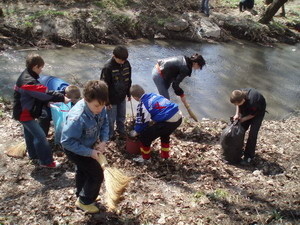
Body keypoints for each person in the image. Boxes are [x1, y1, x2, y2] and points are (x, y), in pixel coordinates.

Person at [12, 53, 70, 168]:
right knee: (41, 137)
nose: (41, 70)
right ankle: (46, 162)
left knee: (29, 134)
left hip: (22, 111)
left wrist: (49, 100)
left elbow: (35, 95)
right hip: (25, 114)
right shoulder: (29, 81)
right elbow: (44, 93)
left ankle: (33, 155)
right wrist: (63, 98)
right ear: (35, 67)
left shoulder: (26, 74)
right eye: (41, 67)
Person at [61, 80, 109, 213]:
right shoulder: (77, 118)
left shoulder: (100, 106)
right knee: (97, 174)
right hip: (75, 149)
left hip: (89, 145)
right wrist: (90, 152)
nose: (100, 109)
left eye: (102, 105)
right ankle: (84, 202)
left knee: (83, 170)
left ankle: (81, 194)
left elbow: (105, 123)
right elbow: (66, 141)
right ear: (86, 99)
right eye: (96, 106)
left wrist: (103, 141)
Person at [129, 84, 182, 162]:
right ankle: (165, 156)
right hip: (179, 116)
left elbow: (141, 124)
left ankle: (146, 159)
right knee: (165, 134)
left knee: (144, 137)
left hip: (169, 121)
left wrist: (135, 132)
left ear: (134, 97)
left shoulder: (143, 104)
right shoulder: (154, 95)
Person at [100, 46, 132, 140]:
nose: (123, 62)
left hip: (122, 96)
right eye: (121, 60)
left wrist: (128, 93)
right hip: (111, 99)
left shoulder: (126, 63)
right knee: (110, 119)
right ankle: (110, 135)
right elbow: (103, 86)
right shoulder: (107, 67)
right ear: (114, 56)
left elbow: (128, 79)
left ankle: (121, 131)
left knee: (121, 116)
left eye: (124, 60)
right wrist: (106, 101)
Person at [230, 88, 266, 164]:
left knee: (253, 133)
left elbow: (253, 114)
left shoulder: (254, 102)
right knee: (241, 128)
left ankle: (249, 156)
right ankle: (238, 148)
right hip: (247, 107)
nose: (235, 105)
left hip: (258, 112)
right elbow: (238, 105)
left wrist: (243, 119)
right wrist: (237, 114)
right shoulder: (239, 94)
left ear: (243, 100)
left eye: (237, 103)